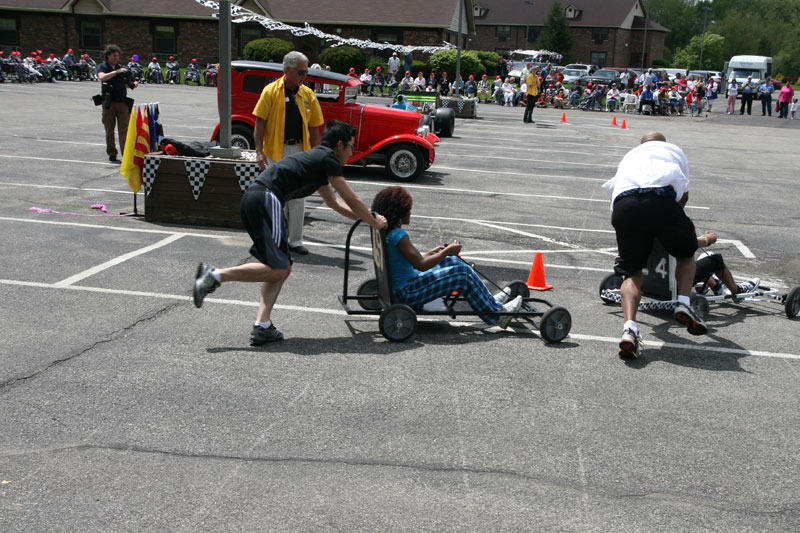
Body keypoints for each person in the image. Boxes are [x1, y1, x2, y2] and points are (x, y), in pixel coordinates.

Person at [193, 121, 388, 345]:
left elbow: (334, 203)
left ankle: (262, 325)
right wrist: (374, 221)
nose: (352, 152)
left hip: (259, 199)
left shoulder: (320, 161)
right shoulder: (328, 159)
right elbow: (352, 199)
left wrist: (368, 219)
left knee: (282, 269)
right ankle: (213, 276)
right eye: (351, 147)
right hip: (266, 199)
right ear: (339, 145)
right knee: (279, 269)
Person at [602, 132, 708, 360]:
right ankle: (683, 303)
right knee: (686, 252)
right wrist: (669, 229)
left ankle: (629, 328)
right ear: (663, 143)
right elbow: (683, 195)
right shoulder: (673, 151)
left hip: (624, 205)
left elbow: (616, 196)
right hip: (660, 200)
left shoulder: (630, 155)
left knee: (631, 272)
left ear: (642, 145)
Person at [370, 186, 523, 328]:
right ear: (399, 212)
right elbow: (421, 265)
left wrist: (434, 253)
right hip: (406, 293)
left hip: (400, 286)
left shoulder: (389, 233)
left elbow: (409, 261)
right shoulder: (399, 235)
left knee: (453, 261)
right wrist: (446, 251)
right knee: (462, 274)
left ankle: (489, 302)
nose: (410, 213)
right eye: (408, 209)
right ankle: (497, 316)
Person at [253, 51, 323, 257]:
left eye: (306, 72)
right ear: (287, 70)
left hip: (300, 149)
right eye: (301, 72)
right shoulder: (270, 91)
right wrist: (259, 151)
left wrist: (317, 154)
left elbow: (315, 127)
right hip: (277, 149)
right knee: (277, 197)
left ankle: (296, 241)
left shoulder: (307, 94)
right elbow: (259, 122)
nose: (304, 77)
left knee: (298, 197)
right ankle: (278, 239)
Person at [97, 44, 137, 163]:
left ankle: (126, 154)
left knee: (124, 129)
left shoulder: (122, 68)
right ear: (108, 56)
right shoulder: (103, 67)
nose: (116, 58)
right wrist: (116, 72)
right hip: (109, 103)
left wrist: (132, 84)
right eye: (114, 55)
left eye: (117, 56)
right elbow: (102, 77)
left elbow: (128, 82)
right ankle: (112, 153)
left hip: (122, 102)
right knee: (109, 129)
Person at [694, 231, 760, 300]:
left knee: (705, 256)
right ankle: (737, 291)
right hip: (683, 279)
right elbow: (688, 243)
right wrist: (706, 239)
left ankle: (715, 285)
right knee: (716, 260)